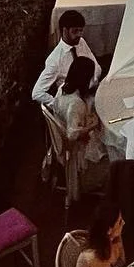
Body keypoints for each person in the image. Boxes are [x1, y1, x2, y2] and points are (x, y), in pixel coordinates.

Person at [53, 54, 110, 192]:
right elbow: (72, 134)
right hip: (78, 150)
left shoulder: (62, 89)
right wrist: (94, 125)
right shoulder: (76, 104)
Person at [33, 9, 99, 104]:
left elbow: (96, 66)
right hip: (73, 101)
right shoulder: (55, 60)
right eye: (75, 31)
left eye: (81, 30)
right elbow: (37, 93)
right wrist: (59, 105)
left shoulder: (81, 42)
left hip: (92, 93)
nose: (79, 34)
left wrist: (94, 82)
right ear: (64, 31)